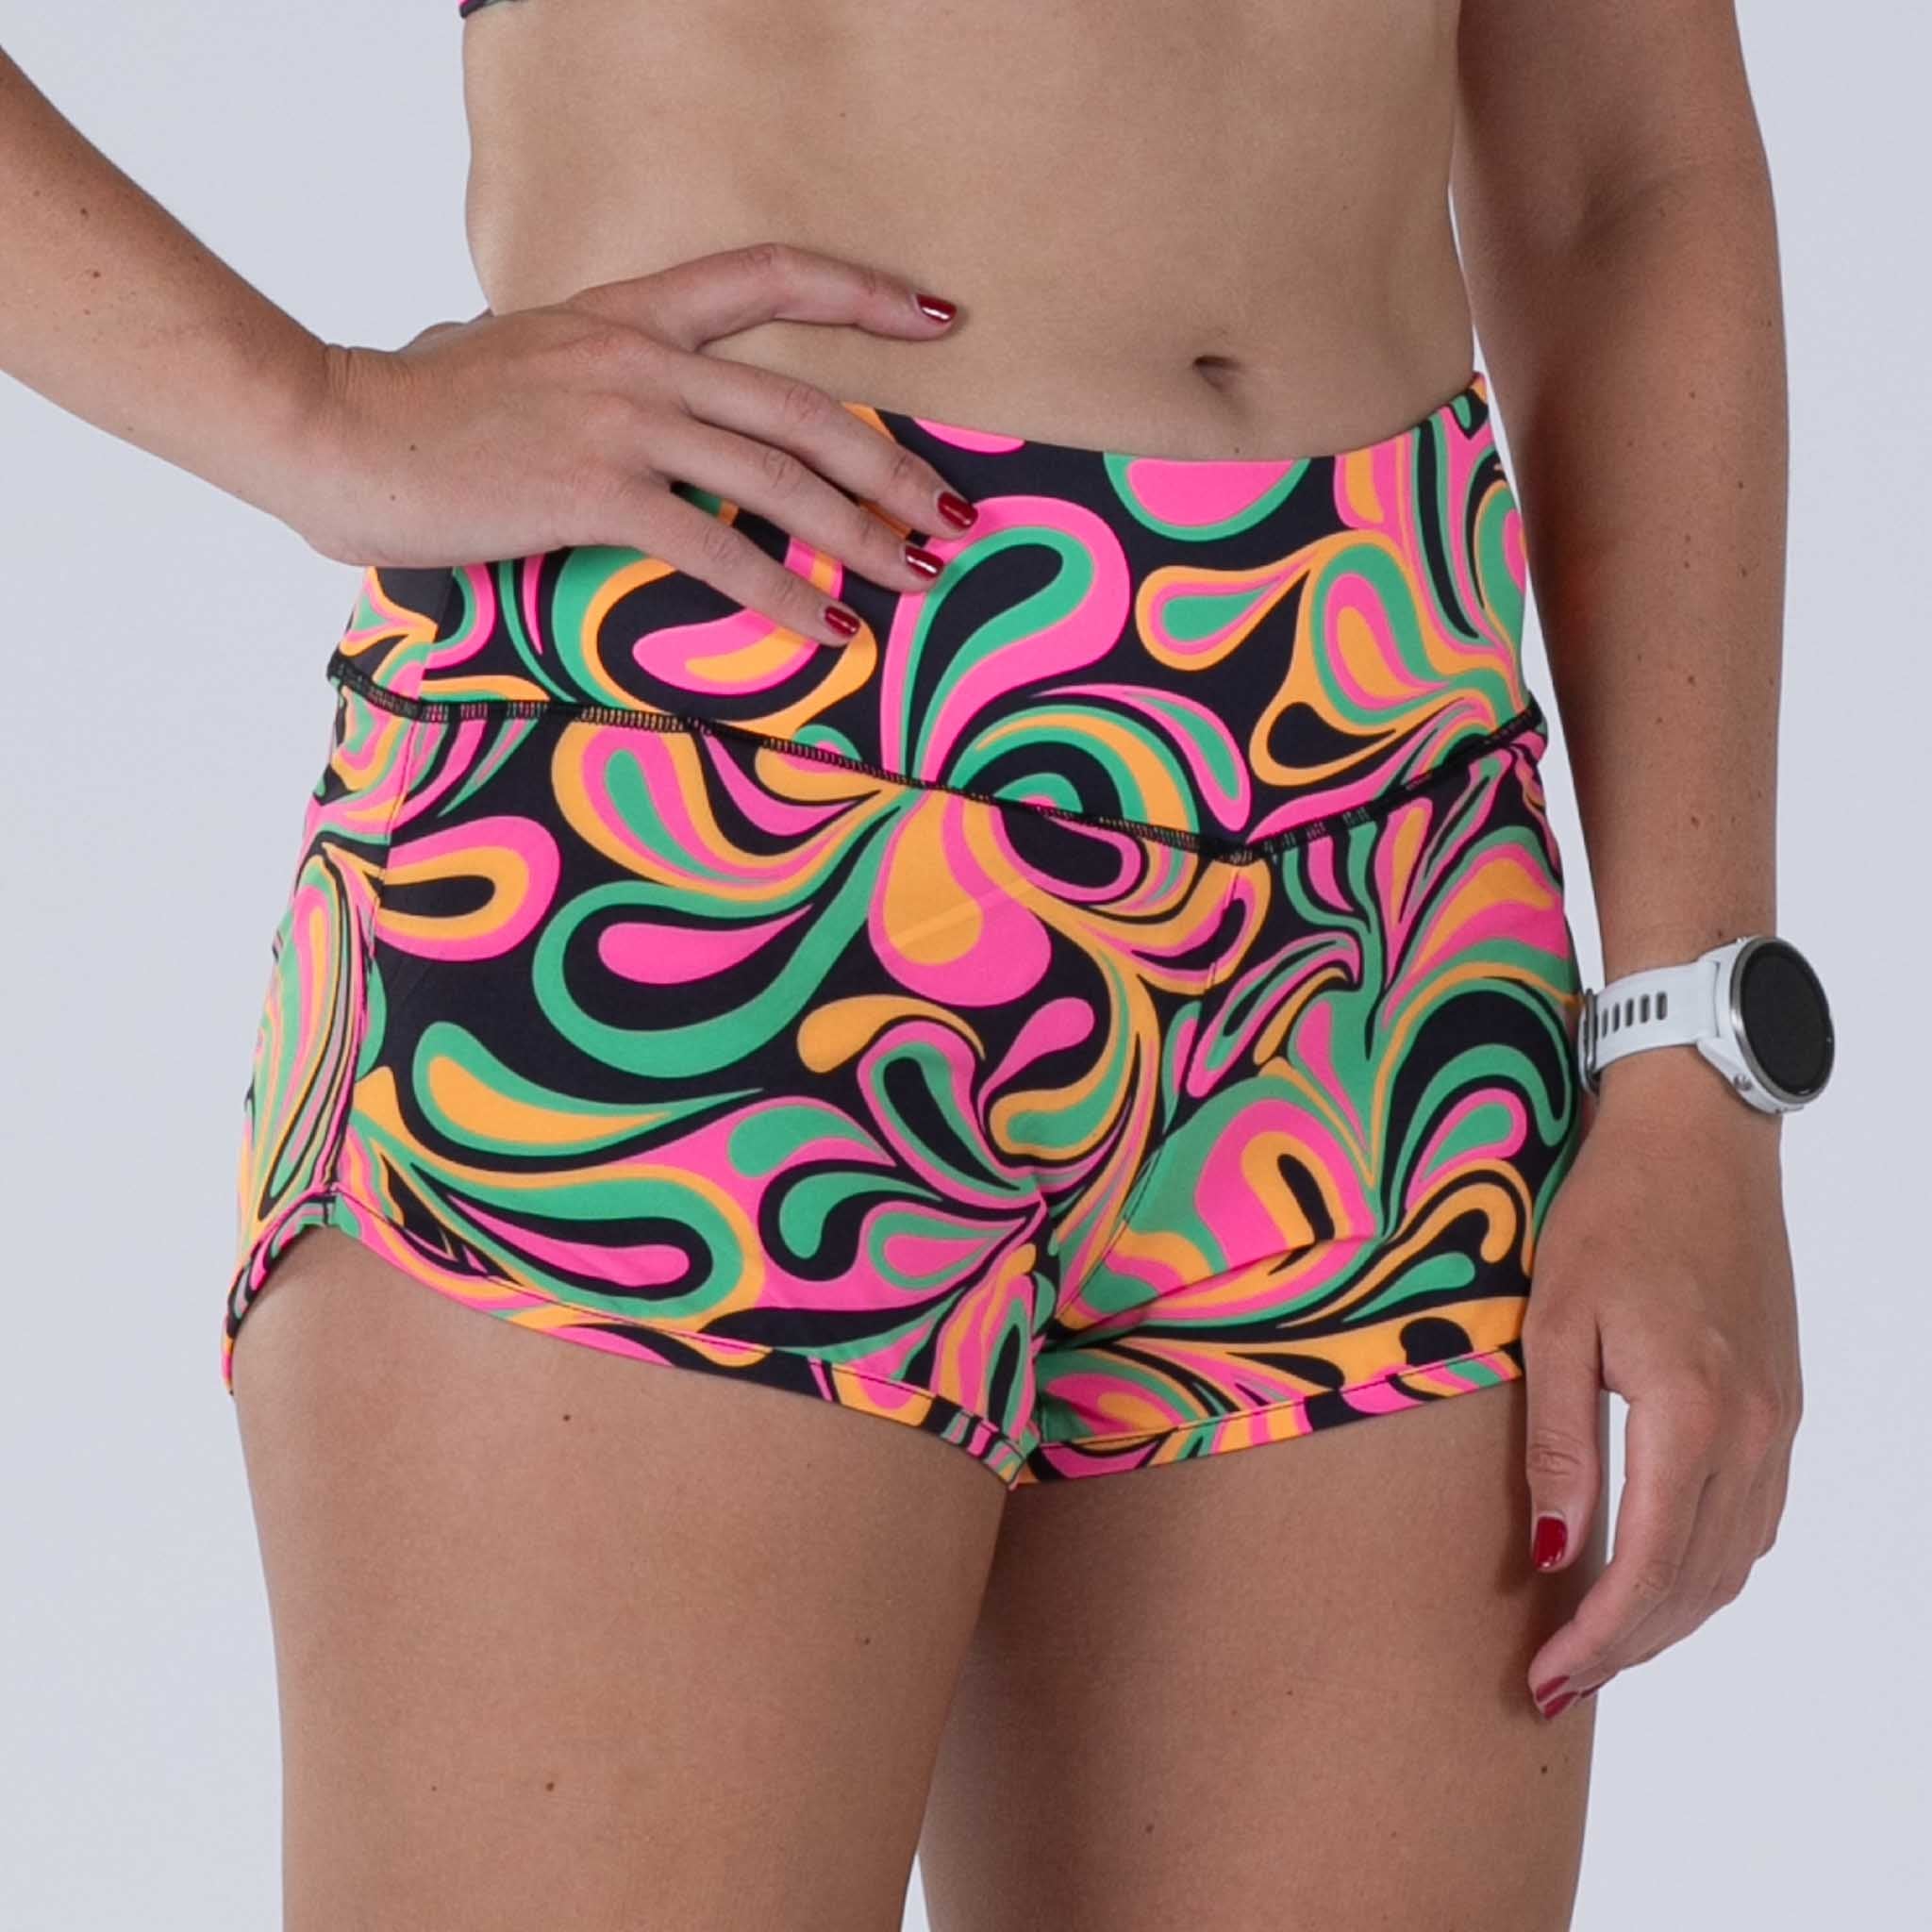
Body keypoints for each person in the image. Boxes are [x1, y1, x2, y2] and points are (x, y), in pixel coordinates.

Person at [2, 2, 1825, 1924]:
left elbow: (1627, 178)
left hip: (1389, 885)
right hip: (701, 827)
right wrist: (312, 420)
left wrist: (1693, 1052)